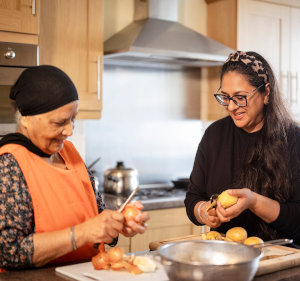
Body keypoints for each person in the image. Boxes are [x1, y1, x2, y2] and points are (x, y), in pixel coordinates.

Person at [0, 65, 150, 271]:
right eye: (59, 122)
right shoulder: (9, 164)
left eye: (73, 119)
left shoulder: (69, 152)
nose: (69, 131)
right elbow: (9, 251)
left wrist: (117, 224)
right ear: (26, 118)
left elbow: (96, 217)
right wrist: (83, 233)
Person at [185, 51, 300, 246]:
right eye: (225, 97)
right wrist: (204, 211)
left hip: (282, 258)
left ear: (266, 93)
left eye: (240, 97)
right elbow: (193, 198)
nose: (231, 107)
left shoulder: (294, 139)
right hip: (225, 258)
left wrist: (254, 202)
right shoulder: (214, 135)